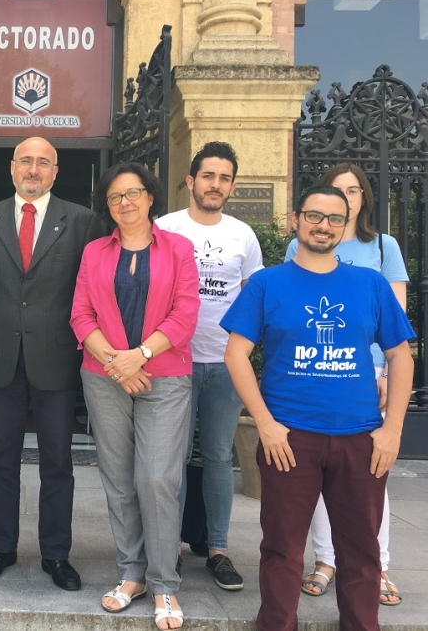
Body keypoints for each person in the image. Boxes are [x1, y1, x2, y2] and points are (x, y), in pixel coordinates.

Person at [221, 185, 414, 631]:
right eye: (313, 216)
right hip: (289, 439)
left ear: (345, 227)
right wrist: (265, 424)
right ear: (295, 220)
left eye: (333, 219)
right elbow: (236, 353)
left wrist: (393, 428)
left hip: (361, 438)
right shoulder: (268, 283)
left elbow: (400, 355)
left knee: (361, 551)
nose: (322, 225)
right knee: (283, 549)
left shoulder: (370, 284)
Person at [0, 136, 103, 591]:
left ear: (55, 172)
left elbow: (88, 287)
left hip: (57, 355)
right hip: (1, 352)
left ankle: (56, 554)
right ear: (11, 167)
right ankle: (0, 547)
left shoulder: (82, 221)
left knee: (57, 462)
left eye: (43, 162)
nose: (33, 169)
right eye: (26, 161)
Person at [71, 162, 199, 628]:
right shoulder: (93, 253)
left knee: (158, 478)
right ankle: (132, 574)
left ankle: (165, 584)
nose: (125, 202)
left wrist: (138, 356)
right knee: (119, 478)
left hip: (164, 377)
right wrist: (116, 363)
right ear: (107, 206)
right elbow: (81, 315)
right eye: (115, 197)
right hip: (104, 376)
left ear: (150, 198)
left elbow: (186, 314)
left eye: (134, 193)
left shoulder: (180, 248)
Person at [285, 164, 409, 606]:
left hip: (368, 374)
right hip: (316, 376)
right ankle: (326, 560)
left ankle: (381, 564)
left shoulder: (383, 247)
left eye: (353, 191)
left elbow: (394, 317)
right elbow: (292, 311)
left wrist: (381, 375)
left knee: (370, 478)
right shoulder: (296, 246)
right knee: (318, 476)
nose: (345, 198)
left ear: (363, 198)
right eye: (337, 191)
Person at [156, 141, 263, 591]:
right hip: (173, 361)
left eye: (224, 178)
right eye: (208, 176)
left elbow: (255, 300)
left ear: (231, 186)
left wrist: (244, 352)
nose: (215, 184)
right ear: (191, 180)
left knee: (219, 457)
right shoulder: (165, 228)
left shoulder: (243, 235)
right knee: (173, 459)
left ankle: (218, 549)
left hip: (225, 364)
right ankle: (169, 551)